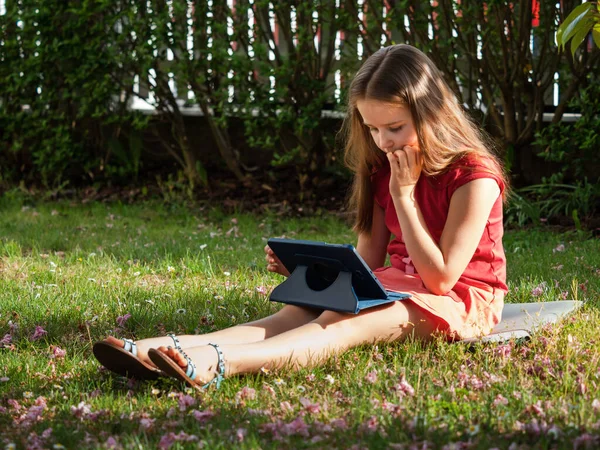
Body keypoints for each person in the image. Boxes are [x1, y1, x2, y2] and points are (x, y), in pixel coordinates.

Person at [93, 44, 509, 390]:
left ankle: (217, 362)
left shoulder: (474, 175)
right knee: (290, 315)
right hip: (396, 283)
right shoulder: (383, 168)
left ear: (431, 113)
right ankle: (147, 350)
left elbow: (441, 278)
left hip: (460, 300)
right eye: (373, 129)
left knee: (340, 323)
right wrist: (314, 272)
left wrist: (404, 196)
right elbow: (368, 259)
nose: (383, 142)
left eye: (395, 128)